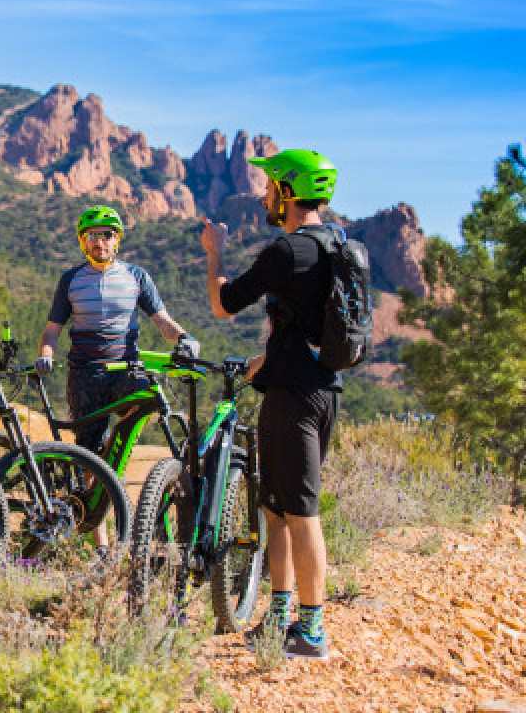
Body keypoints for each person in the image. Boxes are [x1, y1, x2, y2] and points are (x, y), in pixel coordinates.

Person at [201, 148, 342, 660]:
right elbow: (307, 324)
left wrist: (214, 251)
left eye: (269, 187)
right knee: (275, 509)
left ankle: (312, 632)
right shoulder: (337, 246)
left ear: (286, 192)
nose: (264, 194)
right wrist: (267, 359)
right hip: (322, 391)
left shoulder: (287, 251)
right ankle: (279, 618)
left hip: (293, 401)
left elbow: (223, 303)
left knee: (299, 512)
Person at [35, 204, 199, 555]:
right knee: (88, 456)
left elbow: (162, 321)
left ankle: (129, 472)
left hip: (125, 368)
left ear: (117, 240)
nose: (101, 241)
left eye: (107, 235)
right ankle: (103, 548)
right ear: (83, 241)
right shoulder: (71, 280)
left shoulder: (137, 276)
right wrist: (46, 355)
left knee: (145, 402)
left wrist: (185, 337)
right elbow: (51, 331)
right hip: (86, 374)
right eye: (93, 235)